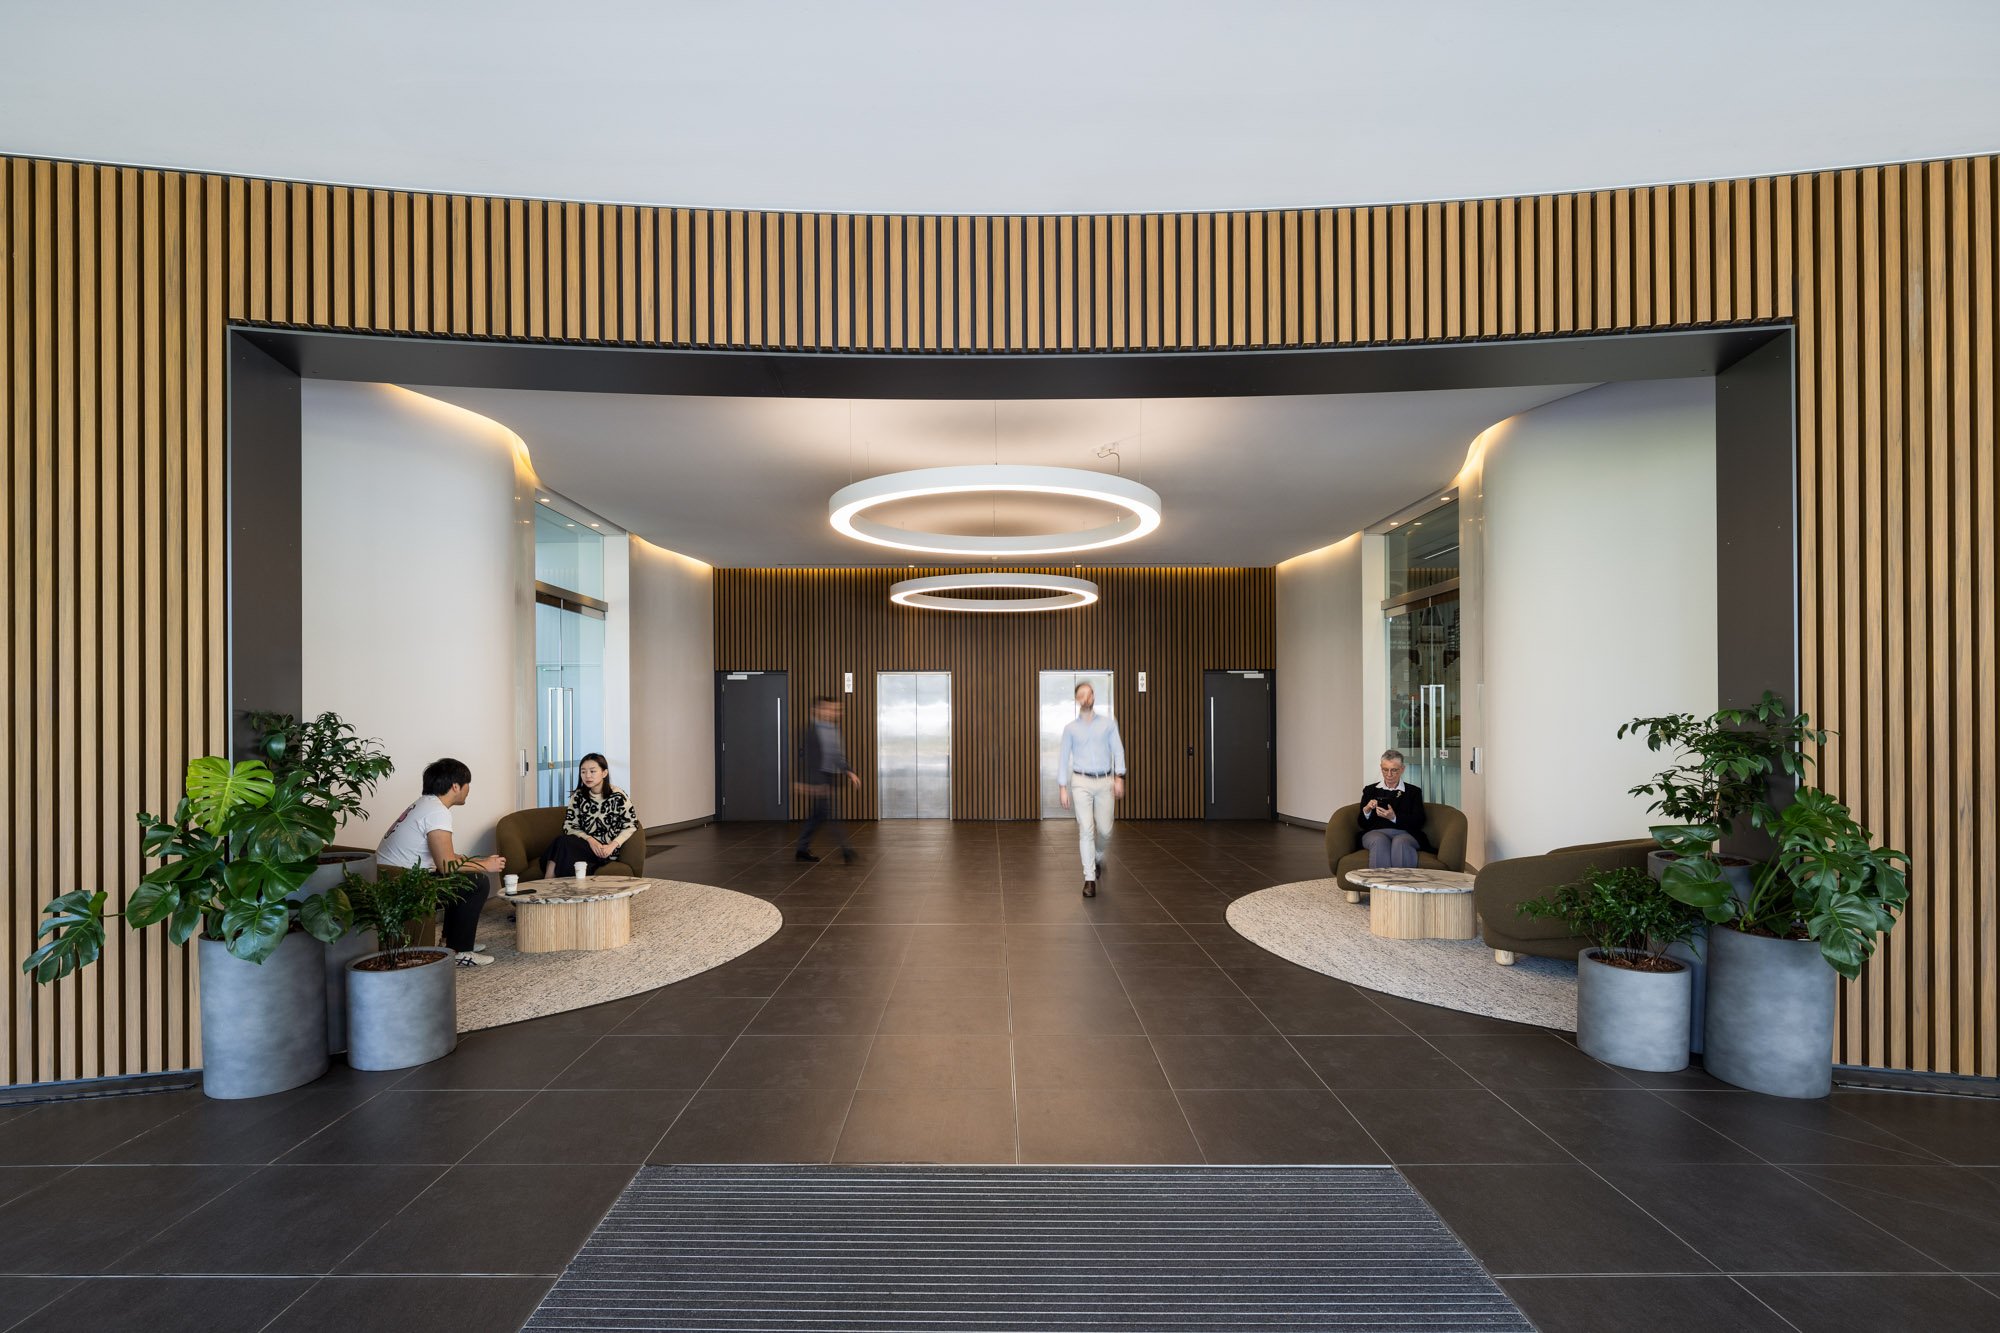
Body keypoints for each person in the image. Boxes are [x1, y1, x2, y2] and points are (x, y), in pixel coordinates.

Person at [376, 757, 506, 967]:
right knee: (476, 882)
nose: (468, 790)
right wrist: (485, 865)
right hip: (403, 883)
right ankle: (461, 952)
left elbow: (442, 859)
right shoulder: (437, 812)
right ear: (456, 786)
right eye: (467, 785)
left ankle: (449, 943)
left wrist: (474, 860)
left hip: (392, 876)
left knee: (466, 877)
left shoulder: (423, 805)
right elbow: (445, 865)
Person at [1057, 679, 1125, 898]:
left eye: (1088, 694)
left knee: (1105, 830)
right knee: (1086, 829)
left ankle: (1097, 855)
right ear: (1077, 700)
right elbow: (1063, 758)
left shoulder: (1108, 723)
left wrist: (1119, 776)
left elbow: (1118, 750)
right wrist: (1062, 787)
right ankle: (1089, 878)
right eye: (1081, 695)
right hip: (1081, 782)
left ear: (1093, 696)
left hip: (1105, 780)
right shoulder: (1070, 729)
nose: (1085, 698)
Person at [541, 752, 638, 879]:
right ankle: (550, 883)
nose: (587, 776)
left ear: (604, 773)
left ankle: (548, 882)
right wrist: (590, 840)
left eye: (592, 771)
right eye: (583, 772)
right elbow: (569, 826)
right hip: (585, 846)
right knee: (562, 842)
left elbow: (632, 824)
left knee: (562, 845)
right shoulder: (578, 796)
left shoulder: (618, 796)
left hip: (605, 850)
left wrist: (613, 845)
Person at [796, 695, 860, 863]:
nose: (835, 712)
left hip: (829, 776)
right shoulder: (811, 730)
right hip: (818, 778)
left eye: (837, 709)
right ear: (818, 710)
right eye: (831, 708)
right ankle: (846, 850)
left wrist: (849, 771)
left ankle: (802, 849)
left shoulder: (833, 729)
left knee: (818, 815)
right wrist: (812, 783)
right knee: (831, 813)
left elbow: (837, 755)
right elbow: (807, 759)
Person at [1357, 749, 1428, 869]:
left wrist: (1394, 817)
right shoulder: (1370, 790)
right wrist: (1367, 810)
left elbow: (1420, 820)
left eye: (1394, 770)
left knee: (1401, 842)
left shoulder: (1413, 792)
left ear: (1402, 769)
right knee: (1379, 841)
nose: (1389, 774)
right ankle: (1380, 886)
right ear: (1381, 768)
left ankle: (1402, 886)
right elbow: (1362, 824)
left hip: (1405, 832)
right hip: (1375, 832)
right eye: (1385, 769)